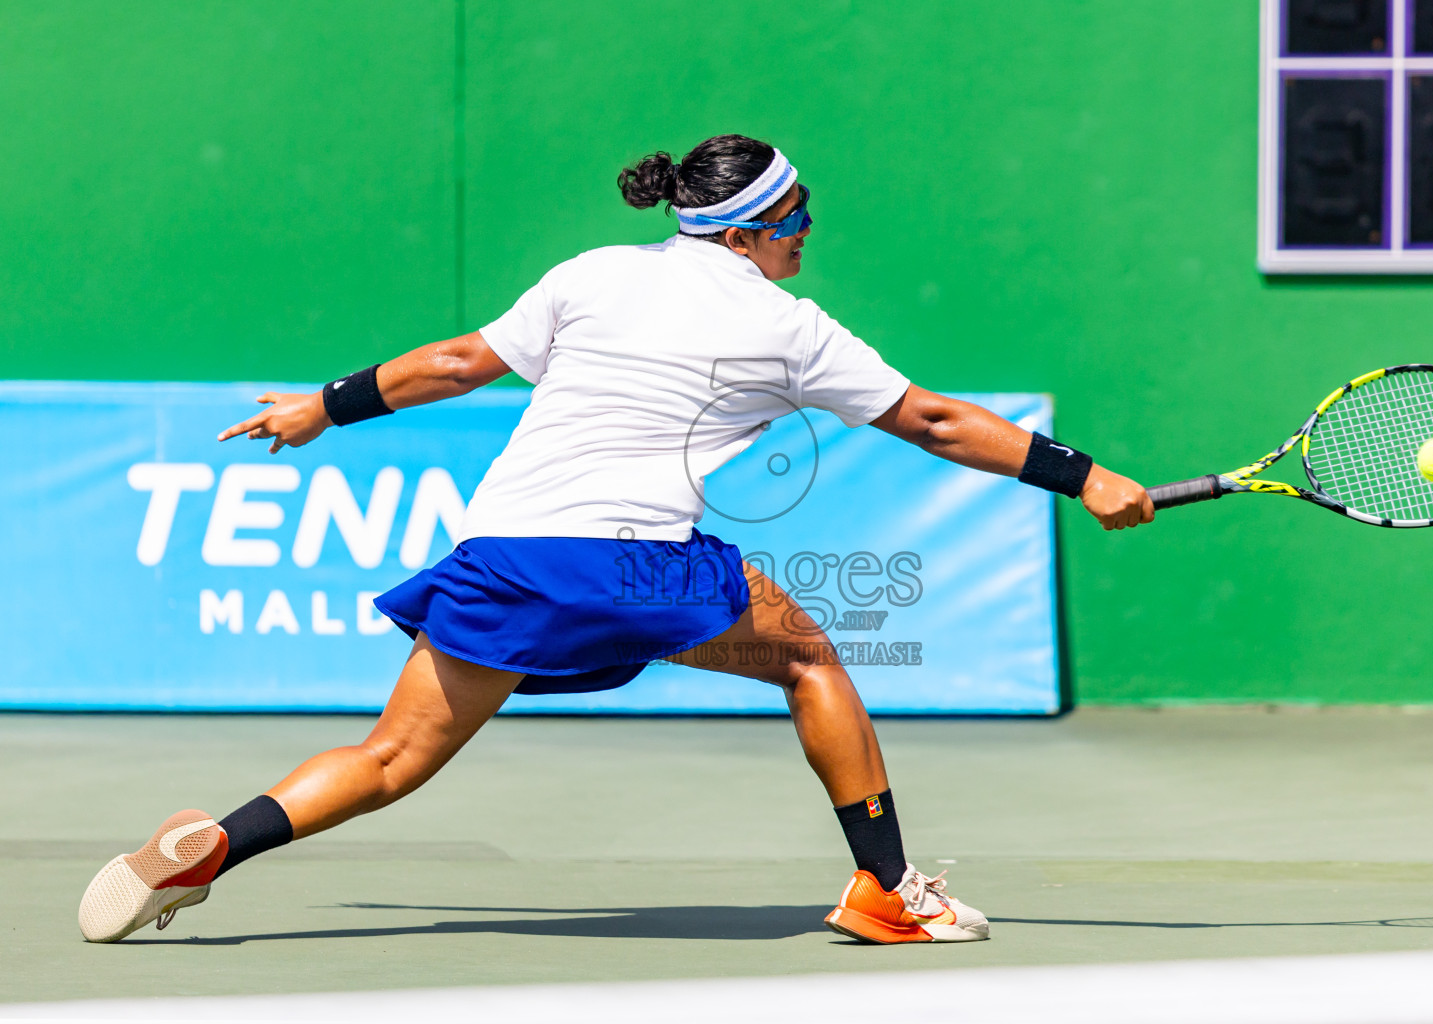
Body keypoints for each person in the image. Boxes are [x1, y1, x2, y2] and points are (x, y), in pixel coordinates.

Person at [78, 134, 1153, 947]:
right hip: (632, 559)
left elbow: (456, 363)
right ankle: (885, 888)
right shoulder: (791, 325)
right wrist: (1084, 474)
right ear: (750, 230)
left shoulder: (591, 272)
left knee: (391, 756)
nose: (808, 231)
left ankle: (214, 847)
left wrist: (323, 404)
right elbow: (933, 419)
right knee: (811, 658)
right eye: (798, 215)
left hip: (504, 552)